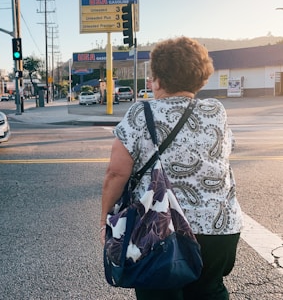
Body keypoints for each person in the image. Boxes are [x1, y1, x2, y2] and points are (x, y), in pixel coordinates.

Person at [100, 37, 243, 300]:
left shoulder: (140, 112)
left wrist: (104, 223)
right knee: (209, 290)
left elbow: (116, 173)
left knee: (158, 294)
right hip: (218, 227)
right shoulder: (216, 111)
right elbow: (226, 149)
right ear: (200, 77)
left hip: (158, 229)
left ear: (158, 79)